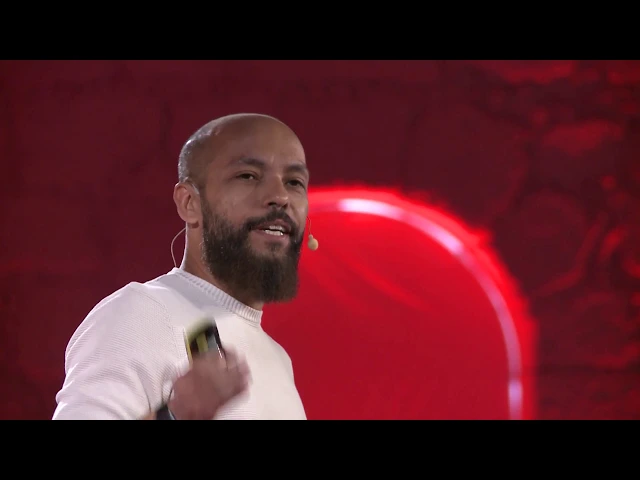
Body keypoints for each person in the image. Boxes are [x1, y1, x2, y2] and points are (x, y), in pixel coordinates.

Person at [52, 113, 312, 420]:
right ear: (189, 202)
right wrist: (177, 414)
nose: (280, 196)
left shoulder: (278, 360)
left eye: (294, 182)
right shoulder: (140, 313)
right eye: (248, 176)